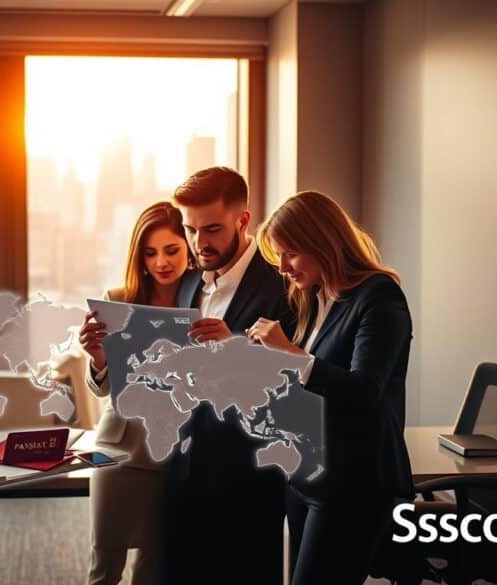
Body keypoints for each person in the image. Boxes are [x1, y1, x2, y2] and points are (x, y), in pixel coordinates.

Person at [248, 190, 414, 585]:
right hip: (309, 470)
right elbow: (315, 380)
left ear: (323, 242)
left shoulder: (380, 297)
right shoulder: (319, 295)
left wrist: (290, 355)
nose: (284, 268)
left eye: (291, 253)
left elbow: (364, 391)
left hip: (353, 481)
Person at [162, 166, 297, 585]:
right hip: (184, 470)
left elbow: (298, 382)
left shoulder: (283, 285)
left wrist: (235, 349)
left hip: (249, 478)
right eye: (190, 229)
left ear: (243, 220)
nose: (200, 243)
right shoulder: (189, 285)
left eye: (213, 229)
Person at [78, 201, 194, 585]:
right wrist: (98, 358)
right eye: (151, 252)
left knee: (155, 569)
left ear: (188, 247)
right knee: (105, 565)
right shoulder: (120, 299)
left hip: (176, 456)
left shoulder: (204, 301)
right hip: (120, 453)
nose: (162, 261)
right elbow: (105, 387)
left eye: (171, 250)